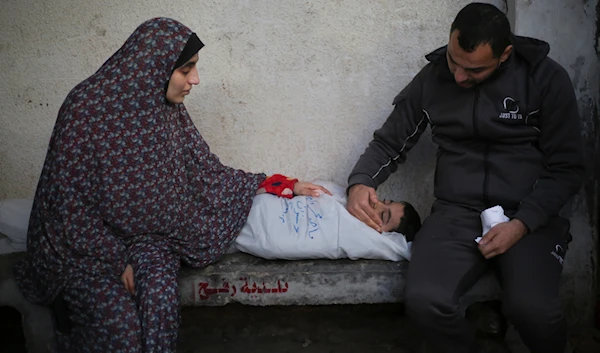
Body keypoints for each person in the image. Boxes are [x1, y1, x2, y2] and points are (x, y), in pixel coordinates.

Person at [12, 18, 329, 353]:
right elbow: (66, 205)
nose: (195, 79)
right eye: (186, 69)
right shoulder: (84, 110)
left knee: (160, 308)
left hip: (151, 240)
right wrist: (116, 260)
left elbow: (207, 171)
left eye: (194, 68)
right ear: (153, 66)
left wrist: (278, 184)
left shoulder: (167, 110)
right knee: (119, 329)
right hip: (86, 248)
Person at [345, 3, 584, 353]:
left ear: (505, 54)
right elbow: (390, 141)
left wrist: (522, 223)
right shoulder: (434, 78)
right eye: (454, 61)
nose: (458, 76)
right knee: (425, 301)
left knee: (533, 309)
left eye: (473, 69)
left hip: (529, 215)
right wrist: (360, 182)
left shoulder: (545, 78)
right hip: (456, 214)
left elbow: (567, 168)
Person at [233, 181, 421, 261]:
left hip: (251, 227)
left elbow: (402, 248)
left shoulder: (362, 237)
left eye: (383, 216)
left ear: (385, 236)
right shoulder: (349, 199)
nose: (376, 205)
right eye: (383, 201)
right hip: (250, 201)